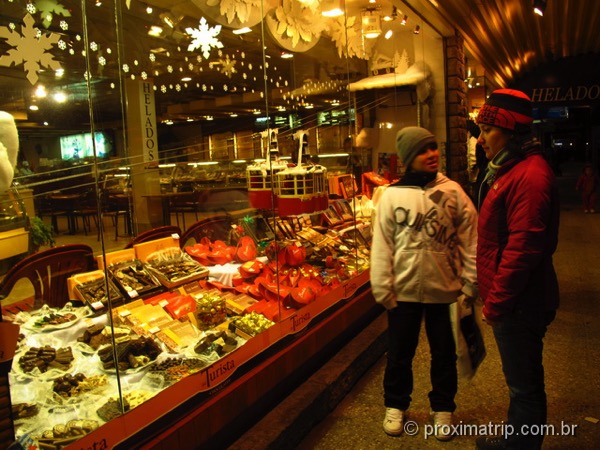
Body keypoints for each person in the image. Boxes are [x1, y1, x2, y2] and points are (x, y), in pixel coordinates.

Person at [370, 126, 479, 441]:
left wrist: (470, 285)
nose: (431, 154)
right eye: (422, 150)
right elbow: (383, 245)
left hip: (444, 290)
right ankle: (395, 405)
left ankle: (443, 407)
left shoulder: (454, 192)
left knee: (444, 352)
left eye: (433, 147)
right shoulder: (391, 195)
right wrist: (381, 284)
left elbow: (471, 240)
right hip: (402, 291)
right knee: (399, 352)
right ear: (407, 158)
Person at [474, 89, 560, 450]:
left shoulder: (529, 176)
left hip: (520, 301)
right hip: (517, 298)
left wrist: (496, 302)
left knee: (524, 386)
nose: (480, 140)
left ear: (510, 131)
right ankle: (516, 440)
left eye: (487, 130)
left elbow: (522, 249)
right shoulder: (513, 168)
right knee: (519, 381)